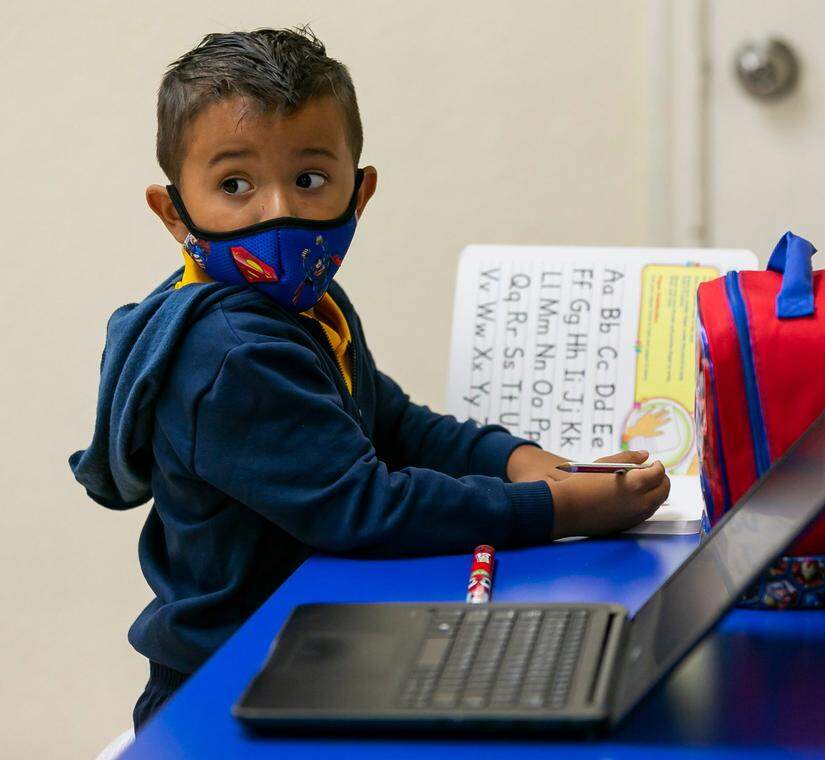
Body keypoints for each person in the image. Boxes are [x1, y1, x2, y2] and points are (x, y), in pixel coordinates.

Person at [69, 26, 669, 732]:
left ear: (361, 189)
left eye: (310, 179)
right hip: (227, 686)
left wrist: (527, 462)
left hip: (309, 649)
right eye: (235, 184)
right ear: (175, 213)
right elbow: (364, 506)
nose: (280, 213)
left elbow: (391, 423)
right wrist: (558, 510)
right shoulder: (230, 354)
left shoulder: (307, 305)